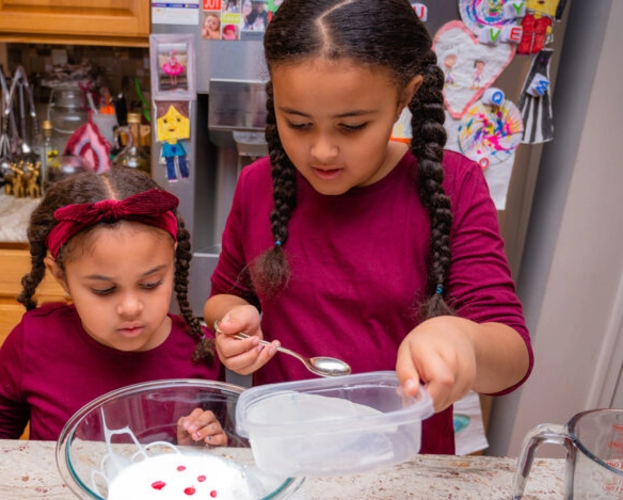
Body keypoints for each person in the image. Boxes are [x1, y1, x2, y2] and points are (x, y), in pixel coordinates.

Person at [205, 0, 532, 455]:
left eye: (353, 126)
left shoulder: (455, 185)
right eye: (297, 123)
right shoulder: (256, 185)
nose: (321, 152)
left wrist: (464, 340)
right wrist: (232, 323)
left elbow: (513, 359)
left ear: (404, 95)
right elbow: (225, 296)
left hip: (404, 460)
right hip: (287, 452)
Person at [0, 169, 224, 469]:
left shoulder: (202, 350)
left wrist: (203, 447)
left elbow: (216, 445)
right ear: (60, 276)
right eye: (103, 289)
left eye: (151, 284)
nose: (130, 307)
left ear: (173, 261)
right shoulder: (34, 341)